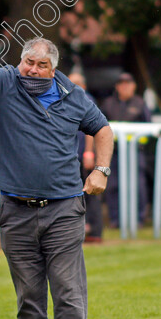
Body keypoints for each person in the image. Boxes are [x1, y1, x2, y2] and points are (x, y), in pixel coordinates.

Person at [0, 20, 113, 319]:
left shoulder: (73, 95)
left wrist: (100, 169)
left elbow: (103, 129)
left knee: (68, 297)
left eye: (41, 65)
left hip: (63, 212)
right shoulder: (4, 83)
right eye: (28, 62)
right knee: (29, 302)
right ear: (20, 62)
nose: (33, 70)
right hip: (15, 213)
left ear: (53, 69)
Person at [100, 72, 152, 228]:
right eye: (122, 84)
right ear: (117, 87)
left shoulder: (140, 104)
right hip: (114, 153)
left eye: (128, 84)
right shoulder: (108, 104)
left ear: (134, 86)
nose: (125, 87)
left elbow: (149, 127)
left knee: (138, 186)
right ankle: (116, 219)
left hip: (136, 152)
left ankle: (139, 218)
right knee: (113, 186)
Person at [68, 72, 104, 243]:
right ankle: (84, 229)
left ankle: (95, 231)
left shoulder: (86, 100)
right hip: (73, 154)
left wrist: (89, 152)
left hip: (83, 154)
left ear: (83, 85)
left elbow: (92, 129)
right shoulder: (69, 99)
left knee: (90, 192)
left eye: (75, 83)